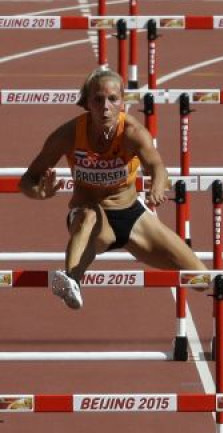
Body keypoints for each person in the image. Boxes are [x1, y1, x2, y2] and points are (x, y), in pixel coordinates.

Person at [19, 68, 207, 309]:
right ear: (87, 102)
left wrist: (158, 187)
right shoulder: (67, 135)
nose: (105, 106)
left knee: (202, 278)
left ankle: (75, 277)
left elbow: (157, 165)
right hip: (90, 218)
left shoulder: (133, 133)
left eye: (112, 99)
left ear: (122, 102)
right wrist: (39, 193)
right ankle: (71, 281)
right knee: (87, 217)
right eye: (98, 99)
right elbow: (28, 179)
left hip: (131, 215)